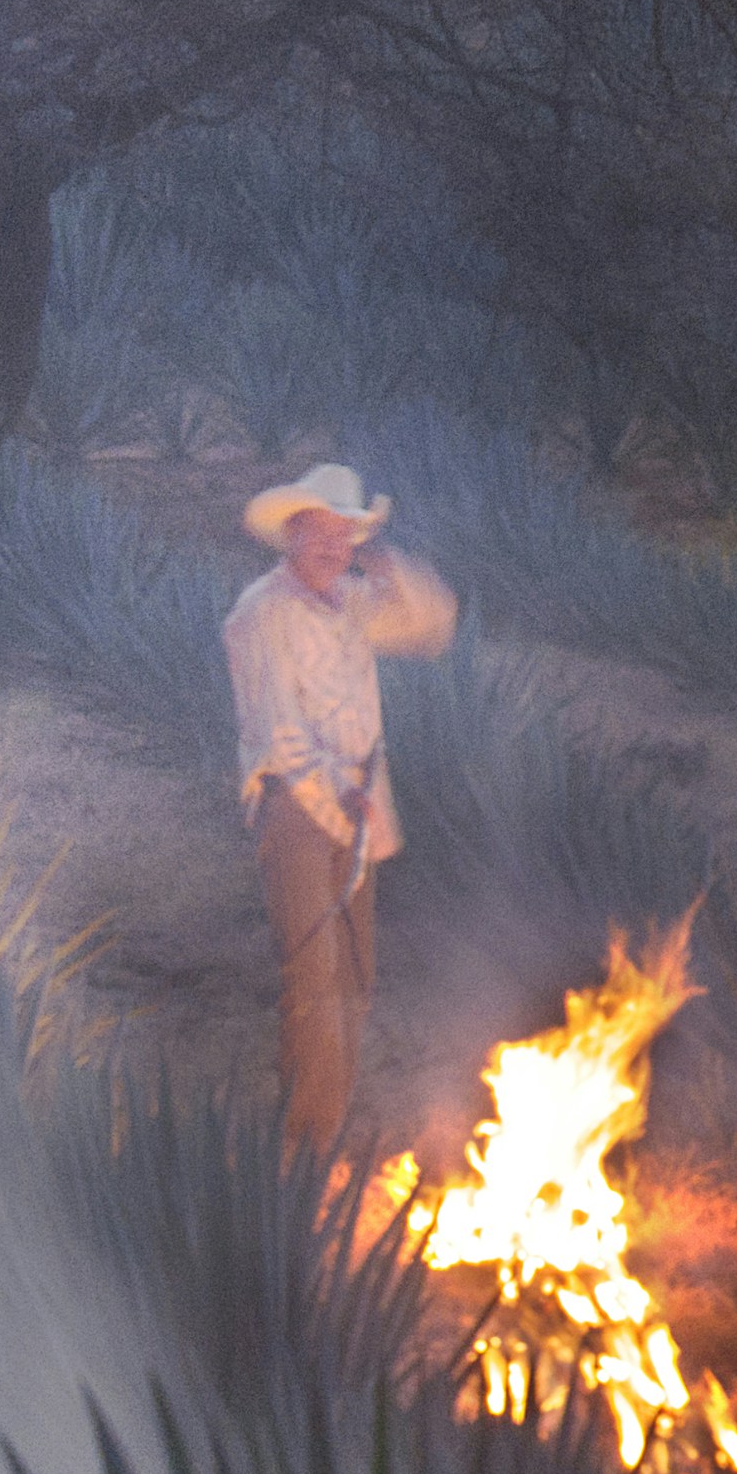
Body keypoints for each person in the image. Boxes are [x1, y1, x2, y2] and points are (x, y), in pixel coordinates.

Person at [220, 461, 456, 1151]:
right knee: (316, 975)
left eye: (343, 535)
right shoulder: (261, 613)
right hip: (298, 803)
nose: (331, 548)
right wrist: (337, 791)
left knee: (355, 977)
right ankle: (306, 1147)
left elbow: (432, 624)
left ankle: (322, 1124)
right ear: (290, 534)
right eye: (318, 533)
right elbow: (277, 730)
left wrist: (390, 570)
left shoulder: (351, 600)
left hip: (359, 804)